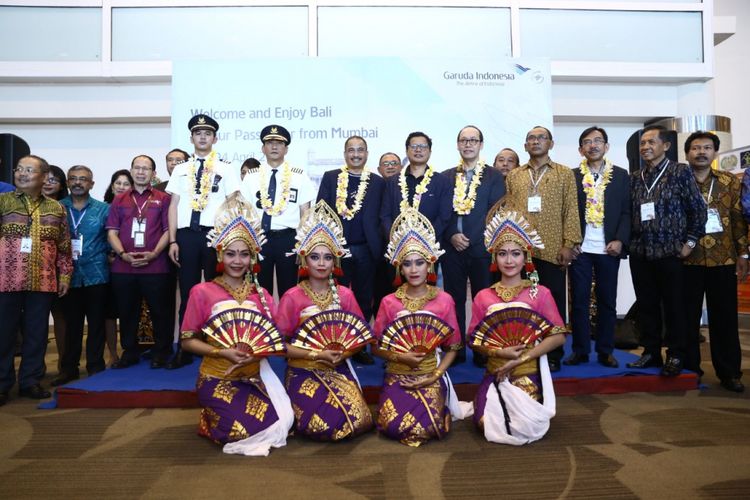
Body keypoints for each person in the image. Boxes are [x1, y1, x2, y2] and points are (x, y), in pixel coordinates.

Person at [180, 193, 293, 455]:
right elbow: (187, 340)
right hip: (217, 376)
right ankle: (211, 416)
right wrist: (222, 352)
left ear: (252, 257)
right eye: (230, 254)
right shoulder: (202, 291)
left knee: (283, 422)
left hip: (253, 377)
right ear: (220, 254)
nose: (237, 261)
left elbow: (274, 340)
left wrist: (257, 352)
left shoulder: (262, 296)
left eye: (244, 254)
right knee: (240, 432)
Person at [276, 200, 374, 441]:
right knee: (321, 427)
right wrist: (315, 355)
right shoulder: (292, 296)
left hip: (337, 367)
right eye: (315, 257)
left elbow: (360, 336)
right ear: (304, 260)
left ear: (335, 261)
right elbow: (279, 345)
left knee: (359, 421)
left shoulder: (345, 295)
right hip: (303, 370)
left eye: (327, 257)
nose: (321, 263)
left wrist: (346, 353)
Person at [468, 209, 567, 445]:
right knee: (486, 423)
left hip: (527, 375)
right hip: (495, 374)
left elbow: (558, 336)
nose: (509, 261)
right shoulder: (483, 296)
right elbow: (473, 338)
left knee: (525, 426)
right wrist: (498, 353)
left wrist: (521, 359)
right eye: (502, 254)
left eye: (515, 254)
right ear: (494, 257)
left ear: (526, 257)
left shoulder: (539, 293)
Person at [372, 208, 471, 447]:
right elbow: (375, 346)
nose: (414, 269)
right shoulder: (389, 302)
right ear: (399, 267)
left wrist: (435, 375)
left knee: (431, 427)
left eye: (420, 263)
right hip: (398, 372)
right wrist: (399, 356)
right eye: (407, 264)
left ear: (430, 265)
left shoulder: (444, 300)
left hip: (431, 373)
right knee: (391, 425)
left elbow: (453, 346)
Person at [627, 125, 706, 377]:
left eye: (651, 142)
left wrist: (690, 243)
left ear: (666, 146)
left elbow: (699, 211)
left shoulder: (680, 172)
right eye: (643, 143)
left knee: (674, 307)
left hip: (672, 252)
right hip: (641, 253)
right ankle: (650, 352)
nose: (646, 147)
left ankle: (675, 354)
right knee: (647, 306)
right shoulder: (635, 177)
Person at [504, 126, 582, 371]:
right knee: (523, 301)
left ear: (551, 143)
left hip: (552, 250)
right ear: (525, 145)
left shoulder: (564, 173)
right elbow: (508, 212)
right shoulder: (514, 175)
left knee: (553, 302)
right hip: (520, 252)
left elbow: (571, 209)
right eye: (530, 138)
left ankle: (554, 352)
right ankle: (526, 347)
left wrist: (569, 244)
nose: (535, 141)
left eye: (541, 138)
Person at [167, 115, 241, 369]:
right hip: (187, 236)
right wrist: (173, 240)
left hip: (214, 237)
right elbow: (174, 206)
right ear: (191, 138)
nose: (202, 137)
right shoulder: (180, 169)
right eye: (197, 133)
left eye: (207, 133)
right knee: (187, 293)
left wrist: (228, 240)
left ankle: (216, 347)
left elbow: (234, 203)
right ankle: (185, 347)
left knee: (216, 292)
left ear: (215, 138)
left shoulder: (226, 168)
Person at [0, 155, 72, 405]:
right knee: (3, 333)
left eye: (29, 170)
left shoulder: (57, 208)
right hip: (5, 281)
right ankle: (2, 383)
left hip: (43, 281)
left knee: (36, 334)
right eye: (19, 169)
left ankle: (30, 381)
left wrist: (64, 275)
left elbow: (64, 247)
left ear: (43, 177)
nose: (22, 174)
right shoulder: (3, 202)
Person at [683, 131, 747, 392]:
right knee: (687, 318)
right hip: (687, 258)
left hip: (724, 256)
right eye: (696, 148)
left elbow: (739, 217)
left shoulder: (729, 181)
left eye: (707, 148)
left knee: (725, 318)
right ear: (687, 153)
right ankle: (690, 370)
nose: (701, 152)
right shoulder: (679, 180)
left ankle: (729, 372)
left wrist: (743, 254)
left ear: (715, 152)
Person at [565, 127, 630, 368]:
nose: (593, 145)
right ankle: (580, 350)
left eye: (598, 141)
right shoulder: (571, 176)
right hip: (580, 250)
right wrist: (571, 242)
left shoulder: (621, 176)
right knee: (579, 302)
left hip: (608, 248)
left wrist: (620, 240)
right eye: (587, 142)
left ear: (607, 146)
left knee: (607, 301)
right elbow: (567, 212)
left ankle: (605, 351)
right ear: (581, 149)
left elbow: (626, 212)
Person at [317, 136, 385, 364]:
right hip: (338, 250)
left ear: (367, 154)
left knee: (365, 298)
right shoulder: (331, 178)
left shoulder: (377, 182)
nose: (356, 154)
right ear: (345, 153)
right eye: (351, 150)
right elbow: (321, 211)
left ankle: (359, 345)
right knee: (336, 298)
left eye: (360, 150)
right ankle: (336, 341)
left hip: (367, 248)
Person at [442, 125, 505, 366]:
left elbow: (495, 213)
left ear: (480, 145)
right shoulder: (446, 177)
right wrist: (451, 235)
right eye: (464, 140)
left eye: (473, 140)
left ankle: (482, 350)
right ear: (458, 145)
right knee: (454, 300)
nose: (468, 144)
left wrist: (473, 238)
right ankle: (455, 351)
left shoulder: (494, 177)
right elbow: (442, 213)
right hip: (452, 249)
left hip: (482, 249)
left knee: (483, 301)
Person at [107, 155, 173, 368]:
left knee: (160, 312)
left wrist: (154, 253)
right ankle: (129, 351)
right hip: (124, 267)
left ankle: (161, 352)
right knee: (127, 312)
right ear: (132, 170)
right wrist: (123, 254)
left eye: (146, 168)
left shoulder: (163, 198)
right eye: (137, 168)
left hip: (156, 266)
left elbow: (168, 230)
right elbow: (112, 232)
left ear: (153, 173)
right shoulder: (119, 199)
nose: (141, 172)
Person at [241, 125, 316, 298]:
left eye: (279, 143)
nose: (274, 147)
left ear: (286, 149)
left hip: (289, 240)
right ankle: (262, 324)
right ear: (263, 148)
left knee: (290, 291)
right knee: (259, 290)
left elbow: (306, 213)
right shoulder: (251, 177)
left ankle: (287, 325)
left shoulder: (299, 176)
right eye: (270, 143)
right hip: (259, 239)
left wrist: (303, 245)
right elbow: (245, 213)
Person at [52, 166, 111, 386]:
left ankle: (95, 366)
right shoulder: (57, 208)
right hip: (68, 277)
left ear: (91, 184)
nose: (78, 182)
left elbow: (110, 238)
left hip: (97, 274)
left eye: (83, 179)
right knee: (71, 325)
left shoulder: (103, 209)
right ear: (67, 182)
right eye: (74, 179)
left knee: (96, 324)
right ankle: (69, 369)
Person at [380, 132, 452, 242]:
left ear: (430, 151)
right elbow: (385, 216)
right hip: (397, 247)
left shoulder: (443, 182)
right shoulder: (392, 182)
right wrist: (395, 240)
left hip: (430, 248)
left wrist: (424, 241)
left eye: (423, 146)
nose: (418, 150)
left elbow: (444, 218)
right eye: (414, 146)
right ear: (406, 151)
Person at [103, 169, 134, 365]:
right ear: (112, 185)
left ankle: (129, 350)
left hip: (126, 265)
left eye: (126, 183)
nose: (121, 187)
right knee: (109, 313)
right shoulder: (102, 208)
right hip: (103, 267)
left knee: (126, 310)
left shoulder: (136, 209)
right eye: (118, 183)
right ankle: (112, 354)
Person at [42, 164, 69, 368]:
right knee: (35, 323)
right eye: (46, 178)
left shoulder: (64, 207)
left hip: (59, 271)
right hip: (32, 273)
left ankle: (63, 361)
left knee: (61, 317)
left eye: (54, 180)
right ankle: (36, 366)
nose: (48, 183)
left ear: (61, 185)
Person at [373, 152, 403, 319]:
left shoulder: (405, 189)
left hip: (400, 250)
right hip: (376, 252)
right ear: (379, 169)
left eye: (394, 163)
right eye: (386, 164)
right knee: (378, 296)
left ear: (400, 167)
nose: (390, 166)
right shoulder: (372, 186)